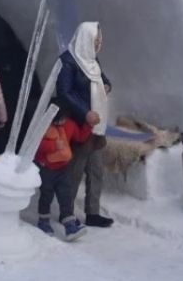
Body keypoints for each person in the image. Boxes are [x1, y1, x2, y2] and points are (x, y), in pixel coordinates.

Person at [56, 22, 114, 228]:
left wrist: (107, 85)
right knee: (74, 171)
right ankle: (66, 213)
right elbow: (64, 92)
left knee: (96, 170)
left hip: (97, 125)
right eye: (95, 40)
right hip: (79, 125)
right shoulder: (68, 61)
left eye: (100, 40)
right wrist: (85, 112)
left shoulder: (92, 58)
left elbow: (102, 78)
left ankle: (92, 213)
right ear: (85, 38)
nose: (98, 44)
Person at [34, 109, 93, 240]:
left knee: (66, 195)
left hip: (63, 168)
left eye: (62, 119)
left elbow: (80, 137)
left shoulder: (70, 124)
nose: (60, 122)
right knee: (46, 195)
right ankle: (43, 221)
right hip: (46, 168)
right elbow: (37, 145)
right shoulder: (43, 126)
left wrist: (89, 125)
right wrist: (53, 145)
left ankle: (70, 225)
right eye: (57, 120)